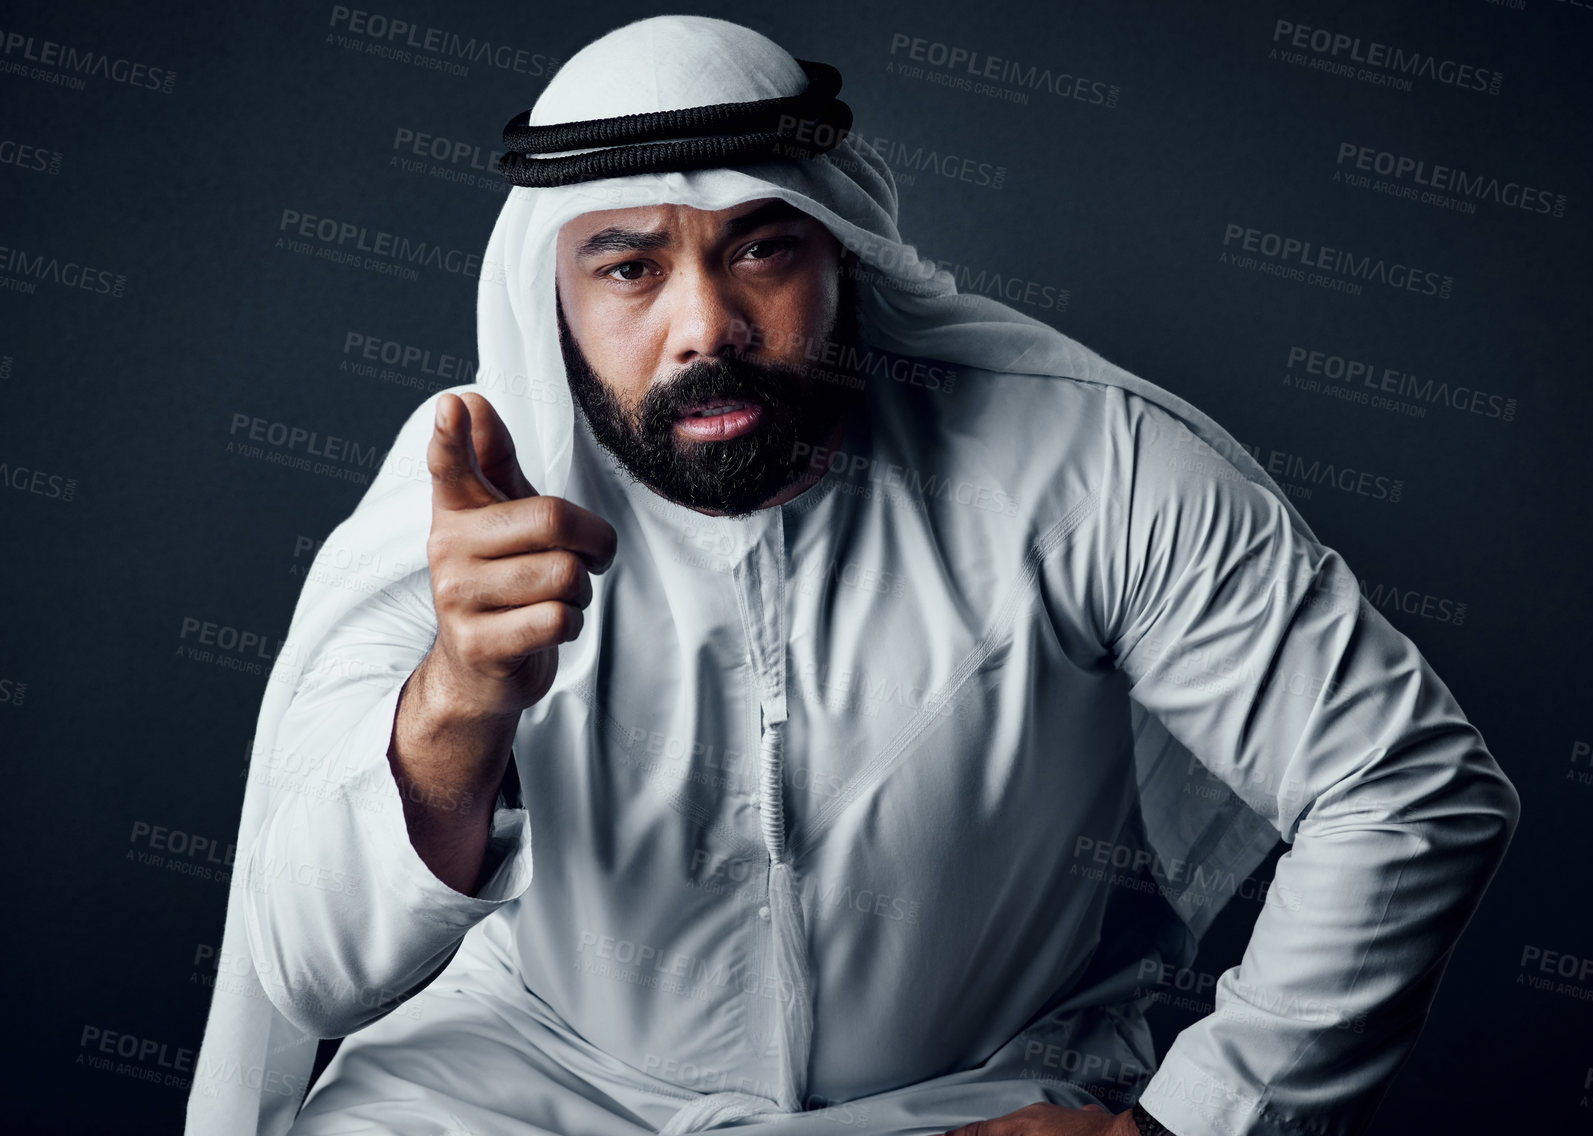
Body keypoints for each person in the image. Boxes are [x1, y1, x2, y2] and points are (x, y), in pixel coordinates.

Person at [186, 15, 1521, 1136]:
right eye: (630, 267)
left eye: (760, 248)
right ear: (557, 300)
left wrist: (1189, 1126)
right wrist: (461, 698)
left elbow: (1407, 786)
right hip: (537, 1081)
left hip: (963, 1099)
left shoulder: (1087, 460)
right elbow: (304, 958)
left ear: (842, 250)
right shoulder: (470, 494)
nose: (702, 324)